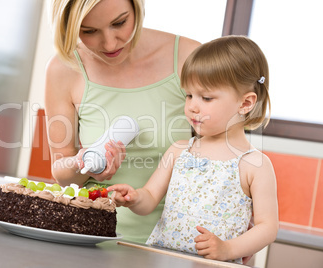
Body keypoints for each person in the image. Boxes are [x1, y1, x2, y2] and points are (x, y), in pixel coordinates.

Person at [108, 36, 279, 264]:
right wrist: (134, 197)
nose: (192, 106)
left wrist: (228, 249)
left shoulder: (254, 164)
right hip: (162, 260)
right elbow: (149, 198)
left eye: (206, 97)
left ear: (246, 103)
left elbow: (268, 227)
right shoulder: (179, 151)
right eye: (189, 95)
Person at [44, 0, 201, 243]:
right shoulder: (64, 68)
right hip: (90, 240)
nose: (109, 43)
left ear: (137, 8)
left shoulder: (189, 57)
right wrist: (84, 163)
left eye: (119, 23)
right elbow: (61, 173)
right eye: (89, 31)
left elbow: (227, 154)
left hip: (178, 243)